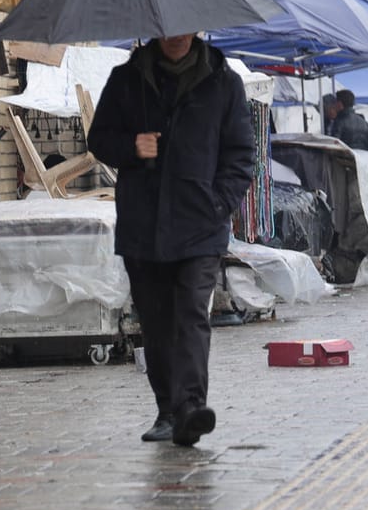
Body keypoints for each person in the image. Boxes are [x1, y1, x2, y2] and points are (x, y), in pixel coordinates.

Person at [88, 33, 255, 447]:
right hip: (143, 224)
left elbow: (241, 154)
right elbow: (98, 138)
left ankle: (191, 408)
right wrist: (131, 147)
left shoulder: (223, 82)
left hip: (201, 224)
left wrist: (219, 205)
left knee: (191, 314)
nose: (179, 31)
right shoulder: (126, 79)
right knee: (158, 321)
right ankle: (168, 410)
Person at [327, 89, 368, 153]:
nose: (334, 105)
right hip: (363, 161)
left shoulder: (339, 122)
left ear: (340, 104)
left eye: (335, 102)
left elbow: (334, 148)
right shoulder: (365, 123)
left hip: (346, 161)